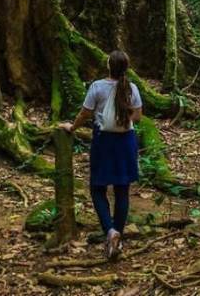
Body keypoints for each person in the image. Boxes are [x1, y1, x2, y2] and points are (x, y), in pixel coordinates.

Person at [59, 50, 142, 260]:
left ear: (109, 66)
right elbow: (138, 116)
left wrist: (72, 127)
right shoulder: (132, 88)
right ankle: (118, 236)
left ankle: (110, 231)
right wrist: (122, 117)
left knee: (97, 187)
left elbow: (85, 113)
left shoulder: (97, 87)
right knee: (122, 189)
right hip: (126, 141)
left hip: (104, 141)